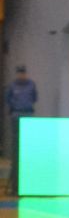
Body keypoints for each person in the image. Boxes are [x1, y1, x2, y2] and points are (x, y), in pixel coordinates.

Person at [5, 64, 37, 194]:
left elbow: (34, 98)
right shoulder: (12, 86)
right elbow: (8, 99)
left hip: (28, 114)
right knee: (16, 145)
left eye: (23, 73)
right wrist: (15, 107)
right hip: (16, 115)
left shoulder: (31, 85)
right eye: (19, 73)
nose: (21, 75)